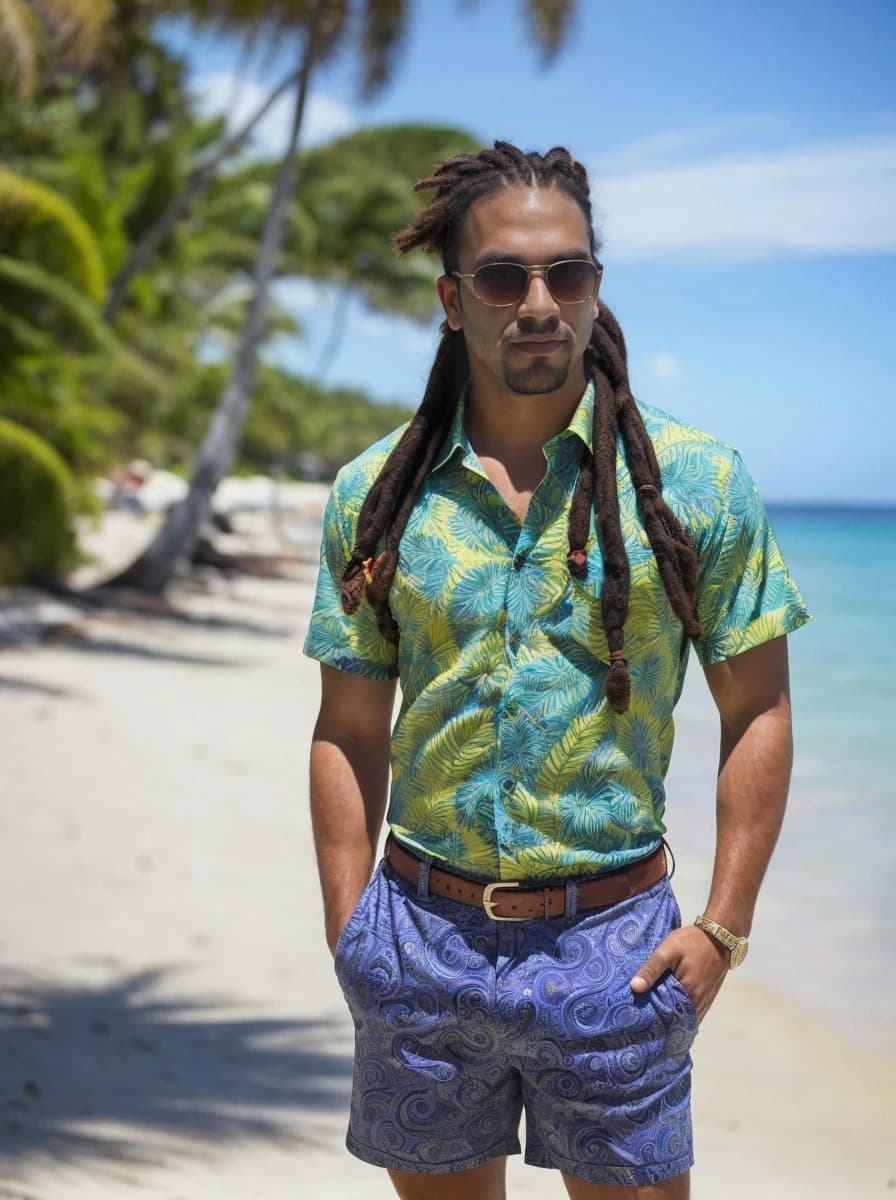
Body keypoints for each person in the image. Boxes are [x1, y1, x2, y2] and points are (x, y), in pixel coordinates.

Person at [303, 141, 811, 1200]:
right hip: (417, 944)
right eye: (502, 278)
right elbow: (347, 726)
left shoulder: (697, 486)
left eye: (566, 273)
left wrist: (721, 928)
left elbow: (754, 708)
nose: (537, 302)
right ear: (454, 299)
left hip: (617, 947)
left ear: (593, 287)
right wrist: (352, 928)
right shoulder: (376, 493)